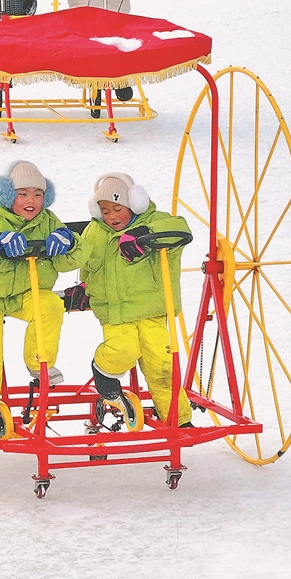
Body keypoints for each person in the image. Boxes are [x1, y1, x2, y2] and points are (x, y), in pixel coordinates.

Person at [0, 160, 88, 464]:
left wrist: (69, 241)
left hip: (24, 293)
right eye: (22, 193)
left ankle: (40, 363)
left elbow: (74, 258)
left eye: (38, 194)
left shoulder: (48, 221)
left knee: (51, 304)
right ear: (6, 194)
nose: (31, 201)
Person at [80, 172, 192, 428]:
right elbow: (87, 266)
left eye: (118, 209)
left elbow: (180, 228)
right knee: (123, 349)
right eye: (105, 211)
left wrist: (145, 234)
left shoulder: (155, 221)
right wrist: (85, 286)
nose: (112, 217)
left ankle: (178, 419)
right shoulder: (95, 232)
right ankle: (103, 370)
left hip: (152, 311)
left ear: (134, 203)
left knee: (162, 365)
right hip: (116, 313)